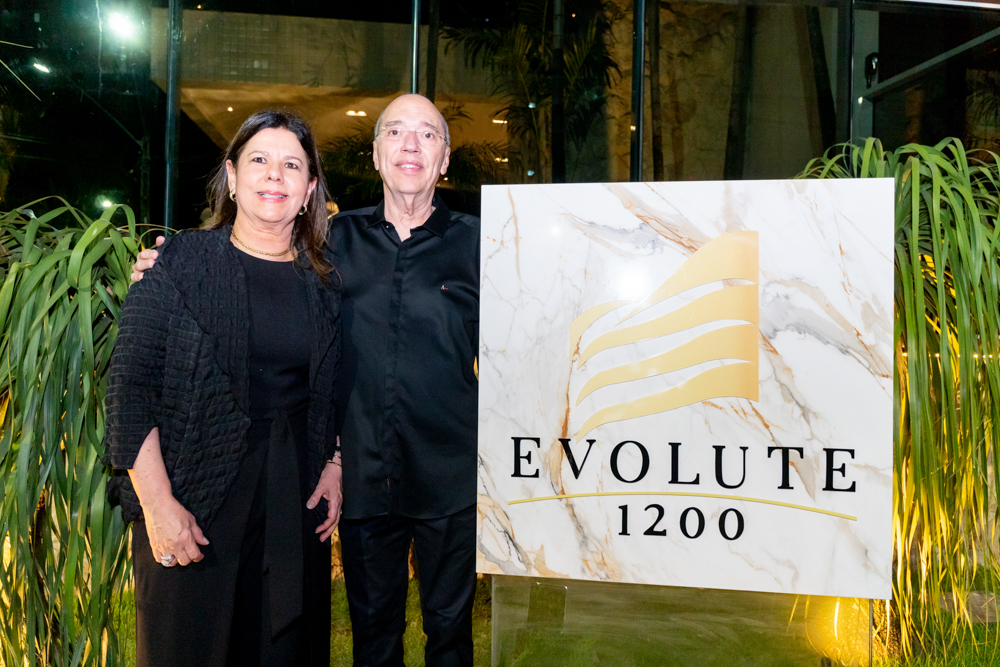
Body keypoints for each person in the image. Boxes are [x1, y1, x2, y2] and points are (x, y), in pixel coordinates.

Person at [133, 94, 479, 667]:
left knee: (450, 636)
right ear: (376, 154)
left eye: (427, 134)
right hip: (364, 478)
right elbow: (249, 257)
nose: (410, 145)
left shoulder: (482, 245)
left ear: (445, 159)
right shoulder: (331, 243)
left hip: (449, 476)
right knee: (374, 637)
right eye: (395, 132)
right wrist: (163, 263)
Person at [107, 109, 343, 667]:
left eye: (292, 165)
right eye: (259, 160)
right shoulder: (178, 263)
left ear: (310, 190)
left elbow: (336, 388)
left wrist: (336, 462)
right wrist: (158, 506)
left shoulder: (325, 283)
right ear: (233, 177)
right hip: (193, 505)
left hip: (291, 505)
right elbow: (129, 390)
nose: (274, 175)